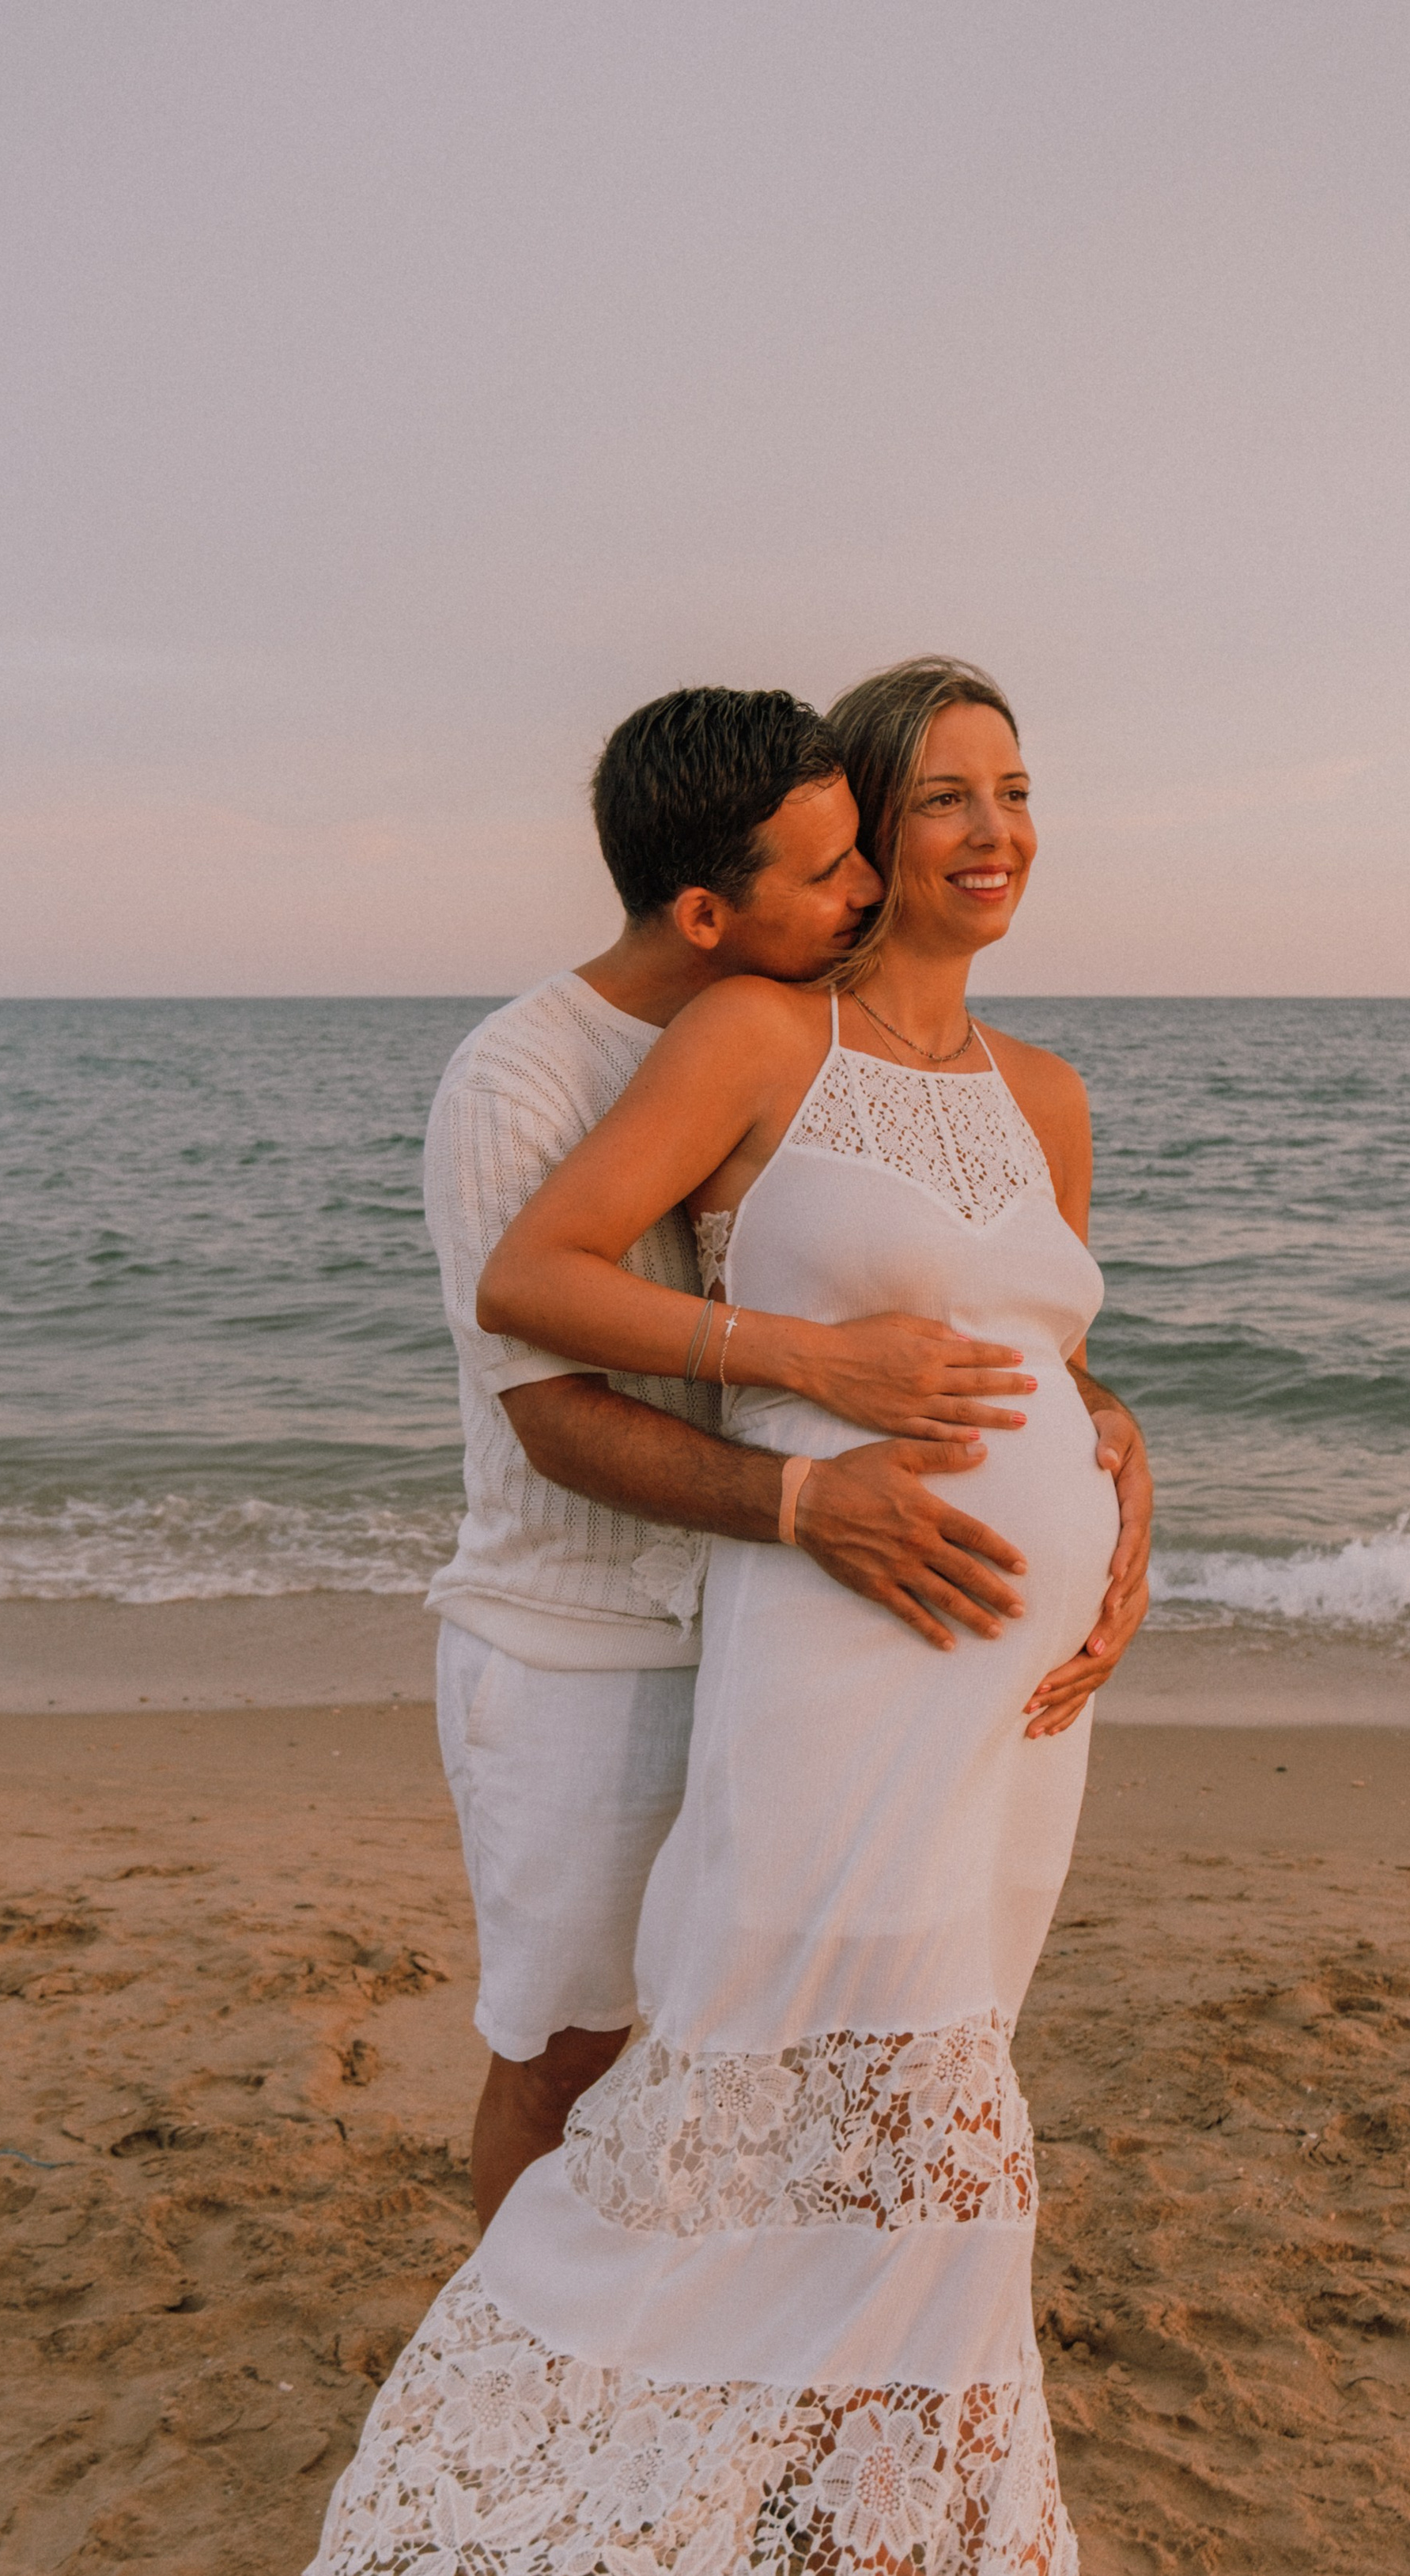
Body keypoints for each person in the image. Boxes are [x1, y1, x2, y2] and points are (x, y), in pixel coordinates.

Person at [308, 663, 1332, 2576]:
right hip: (818, 1673)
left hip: (1017, 1717)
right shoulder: (753, 1048)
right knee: (911, 2154)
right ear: (847, 837)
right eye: (935, 800)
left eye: (1016, 793)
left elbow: (1043, 1360)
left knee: (904, 2152)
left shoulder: (1053, 1093)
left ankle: (799, 2521)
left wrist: (1126, 1498)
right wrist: (822, 1391)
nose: (983, 834)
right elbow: (539, 1302)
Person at [418, 686, 1152, 2229]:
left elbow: (1021, 1323)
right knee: (575, 2049)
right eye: (834, 871)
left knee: (853, 2042)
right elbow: (545, 1400)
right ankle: (570, 2381)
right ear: (705, 912)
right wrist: (810, 1463)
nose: (869, 889)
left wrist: (1104, 1444)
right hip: (594, 1638)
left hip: (841, 1623)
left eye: (1010, 789)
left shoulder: (1003, 1078)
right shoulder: (536, 1073)